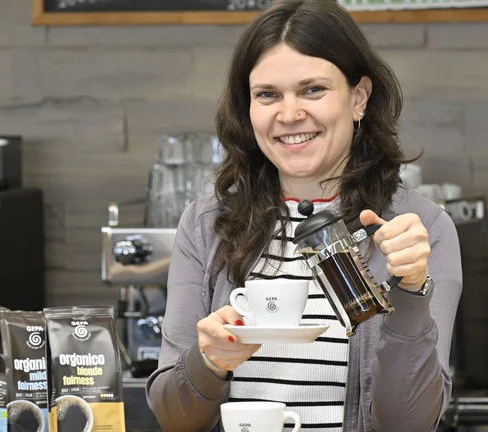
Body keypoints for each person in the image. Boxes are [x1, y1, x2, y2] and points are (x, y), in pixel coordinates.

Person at [145, 0, 463, 430]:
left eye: (313, 89)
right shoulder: (206, 225)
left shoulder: (417, 230)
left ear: (359, 98)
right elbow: (173, 418)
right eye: (267, 95)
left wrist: (410, 291)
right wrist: (208, 362)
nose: (290, 114)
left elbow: (407, 424)